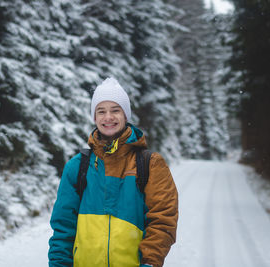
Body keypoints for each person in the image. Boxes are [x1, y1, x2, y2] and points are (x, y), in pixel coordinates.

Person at [48, 77, 178, 267]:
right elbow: (63, 225)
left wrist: (150, 262)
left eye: (115, 110)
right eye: (101, 111)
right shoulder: (77, 166)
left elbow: (163, 220)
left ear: (125, 115)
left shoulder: (150, 164)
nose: (108, 117)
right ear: (94, 117)